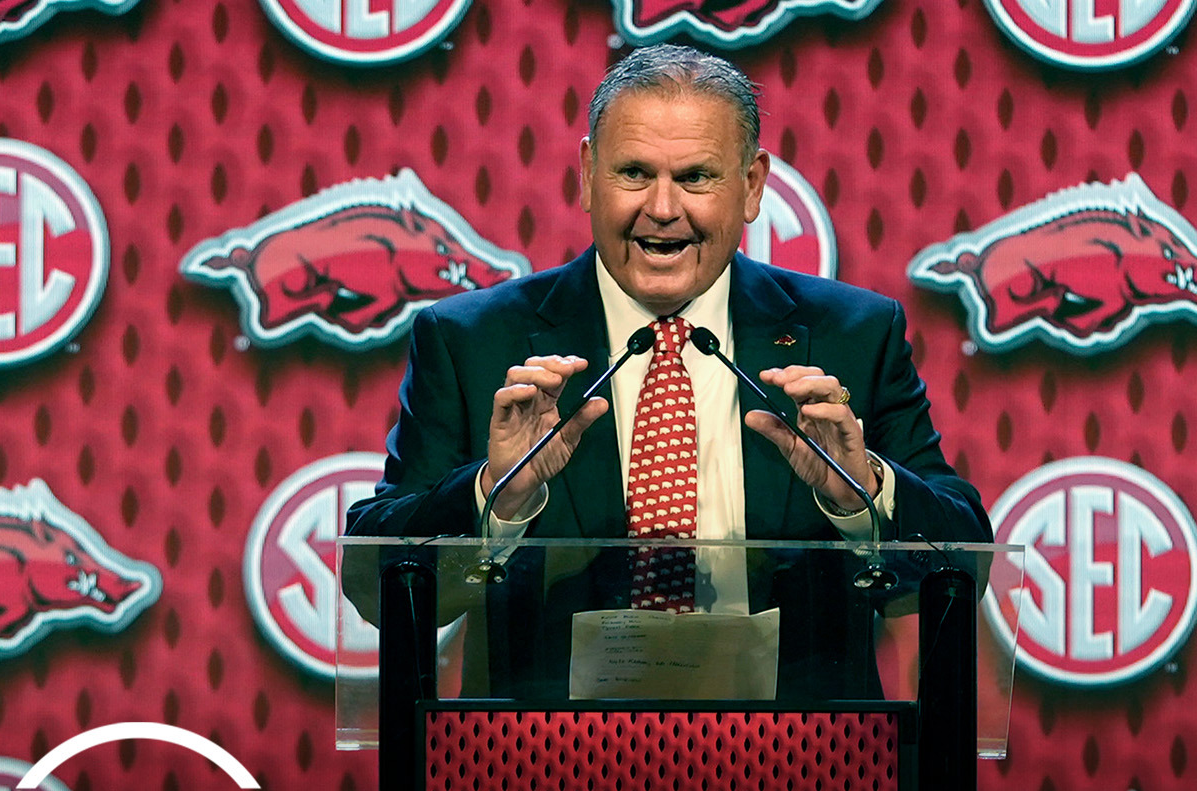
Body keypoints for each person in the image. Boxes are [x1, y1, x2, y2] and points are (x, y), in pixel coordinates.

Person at [346, 44, 986, 693]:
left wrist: (864, 494)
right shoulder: (473, 339)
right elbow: (376, 583)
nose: (661, 208)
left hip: (797, 764)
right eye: (633, 173)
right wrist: (495, 495)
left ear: (752, 186)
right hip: (545, 765)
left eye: (695, 177)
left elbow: (965, 563)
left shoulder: (854, 335)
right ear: (588, 173)